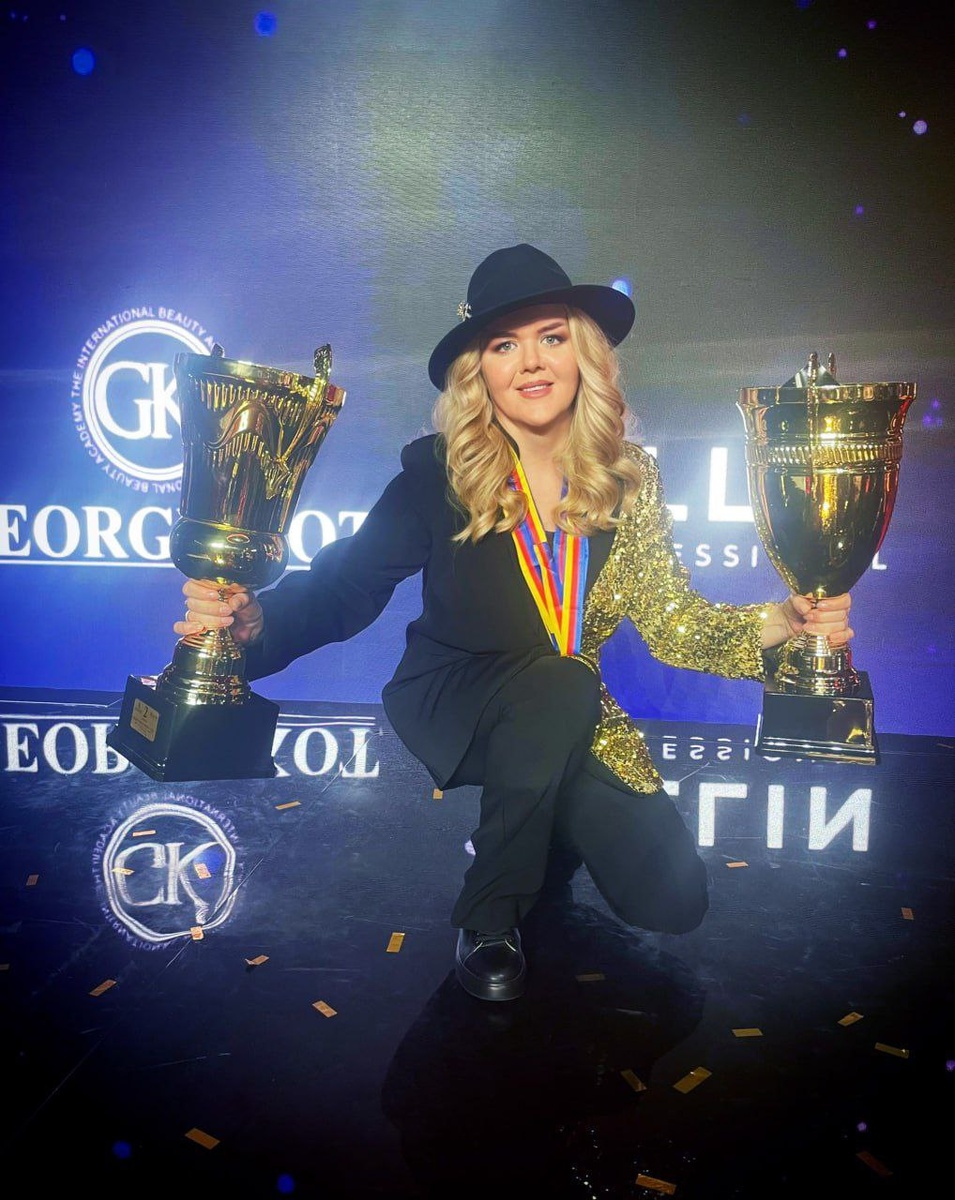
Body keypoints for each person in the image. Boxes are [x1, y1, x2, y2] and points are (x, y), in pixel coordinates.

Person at [174, 244, 853, 1003]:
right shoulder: (439, 474)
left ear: (581, 354)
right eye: (504, 345)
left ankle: (543, 821)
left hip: (568, 708)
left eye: (550, 337)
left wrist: (783, 621)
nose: (530, 362)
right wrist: (254, 625)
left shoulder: (629, 478)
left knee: (674, 901)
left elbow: (672, 620)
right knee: (559, 683)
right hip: (456, 693)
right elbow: (345, 587)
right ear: (480, 371)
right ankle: (489, 914)